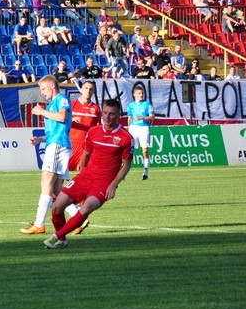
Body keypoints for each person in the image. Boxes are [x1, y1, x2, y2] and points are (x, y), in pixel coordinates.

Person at [44, 99, 133, 249]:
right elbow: (85, 156)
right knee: (57, 207)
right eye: (105, 113)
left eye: (112, 114)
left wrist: (113, 185)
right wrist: (81, 176)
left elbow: (126, 165)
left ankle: (56, 236)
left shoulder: (126, 137)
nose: (107, 117)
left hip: (104, 184)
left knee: (86, 209)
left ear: (119, 115)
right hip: (85, 177)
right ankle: (63, 240)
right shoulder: (93, 131)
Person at [21, 75, 72, 235]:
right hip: (54, 142)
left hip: (59, 144)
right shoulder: (51, 106)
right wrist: (39, 139)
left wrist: (42, 111)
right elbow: (53, 131)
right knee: (57, 190)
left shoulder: (61, 99)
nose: (42, 92)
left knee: (46, 180)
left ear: (52, 85)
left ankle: (39, 224)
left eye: (43, 88)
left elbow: (63, 117)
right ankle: (79, 218)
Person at [127, 86, 154, 180]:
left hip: (144, 128)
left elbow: (152, 117)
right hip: (133, 129)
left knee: (145, 151)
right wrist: (128, 130)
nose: (141, 95)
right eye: (139, 93)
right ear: (134, 94)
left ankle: (145, 172)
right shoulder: (130, 105)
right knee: (128, 152)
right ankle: (123, 173)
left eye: (142, 93)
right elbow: (129, 118)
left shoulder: (147, 104)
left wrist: (142, 118)